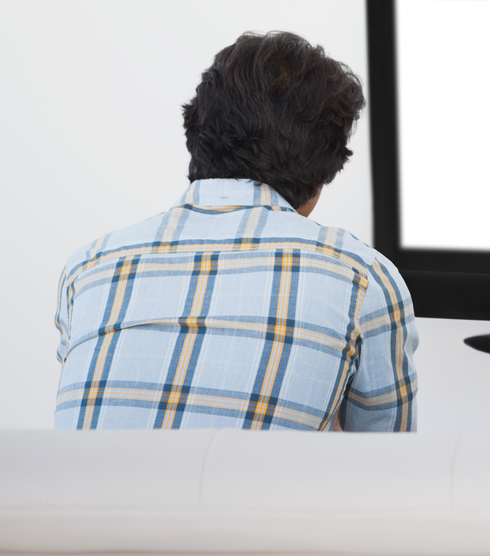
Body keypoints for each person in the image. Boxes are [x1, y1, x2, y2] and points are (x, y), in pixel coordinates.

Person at [53, 31, 417, 431]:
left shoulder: (88, 266)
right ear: (322, 175)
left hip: (63, 496)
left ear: (196, 133)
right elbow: (388, 469)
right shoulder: (363, 278)